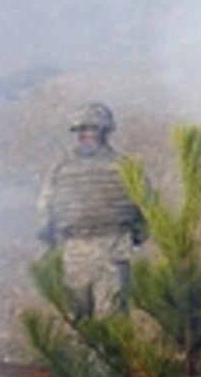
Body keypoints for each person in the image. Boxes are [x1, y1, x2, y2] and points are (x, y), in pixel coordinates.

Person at [36, 102, 148, 318]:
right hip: (113, 254)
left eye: (90, 129)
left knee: (81, 326)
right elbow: (148, 210)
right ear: (108, 132)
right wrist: (137, 237)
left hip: (76, 256)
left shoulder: (61, 169)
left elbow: (44, 213)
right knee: (111, 328)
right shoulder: (127, 168)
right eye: (85, 130)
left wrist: (48, 244)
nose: (88, 134)